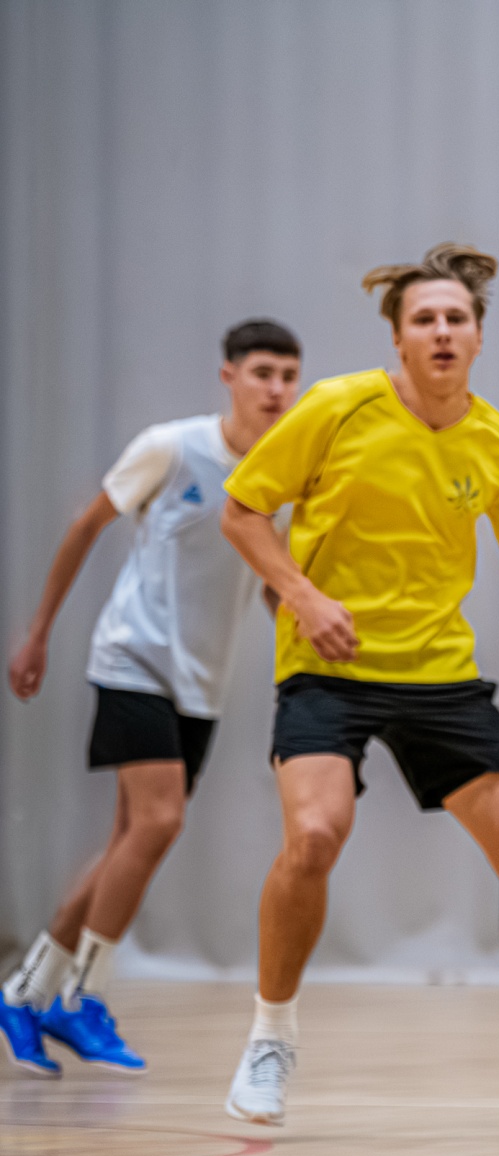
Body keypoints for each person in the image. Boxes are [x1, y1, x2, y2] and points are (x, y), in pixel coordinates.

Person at [217, 243, 499, 1137]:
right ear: (399, 337)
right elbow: (242, 510)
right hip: (328, 667)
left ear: (479, 336)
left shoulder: (497, 442)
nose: (442, 331)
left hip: (440, 677)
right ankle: (270, 1042)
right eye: (425, 319)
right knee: (314, 836)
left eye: (457, 317)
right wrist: (303, 597)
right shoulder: (337, 407)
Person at [2, 321, 301, 1078]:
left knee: (128, 842)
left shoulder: (277, 472)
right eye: (262, 372)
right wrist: (37, 635)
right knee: (160, 822)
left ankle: (24, 990)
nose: (276, 389)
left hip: (202, 683)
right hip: (133, 659)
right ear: (229, 376)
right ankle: (83, 996)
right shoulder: (171, 447)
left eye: (287, 375)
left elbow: (272, 581)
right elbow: (85, 527)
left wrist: (312, 643)